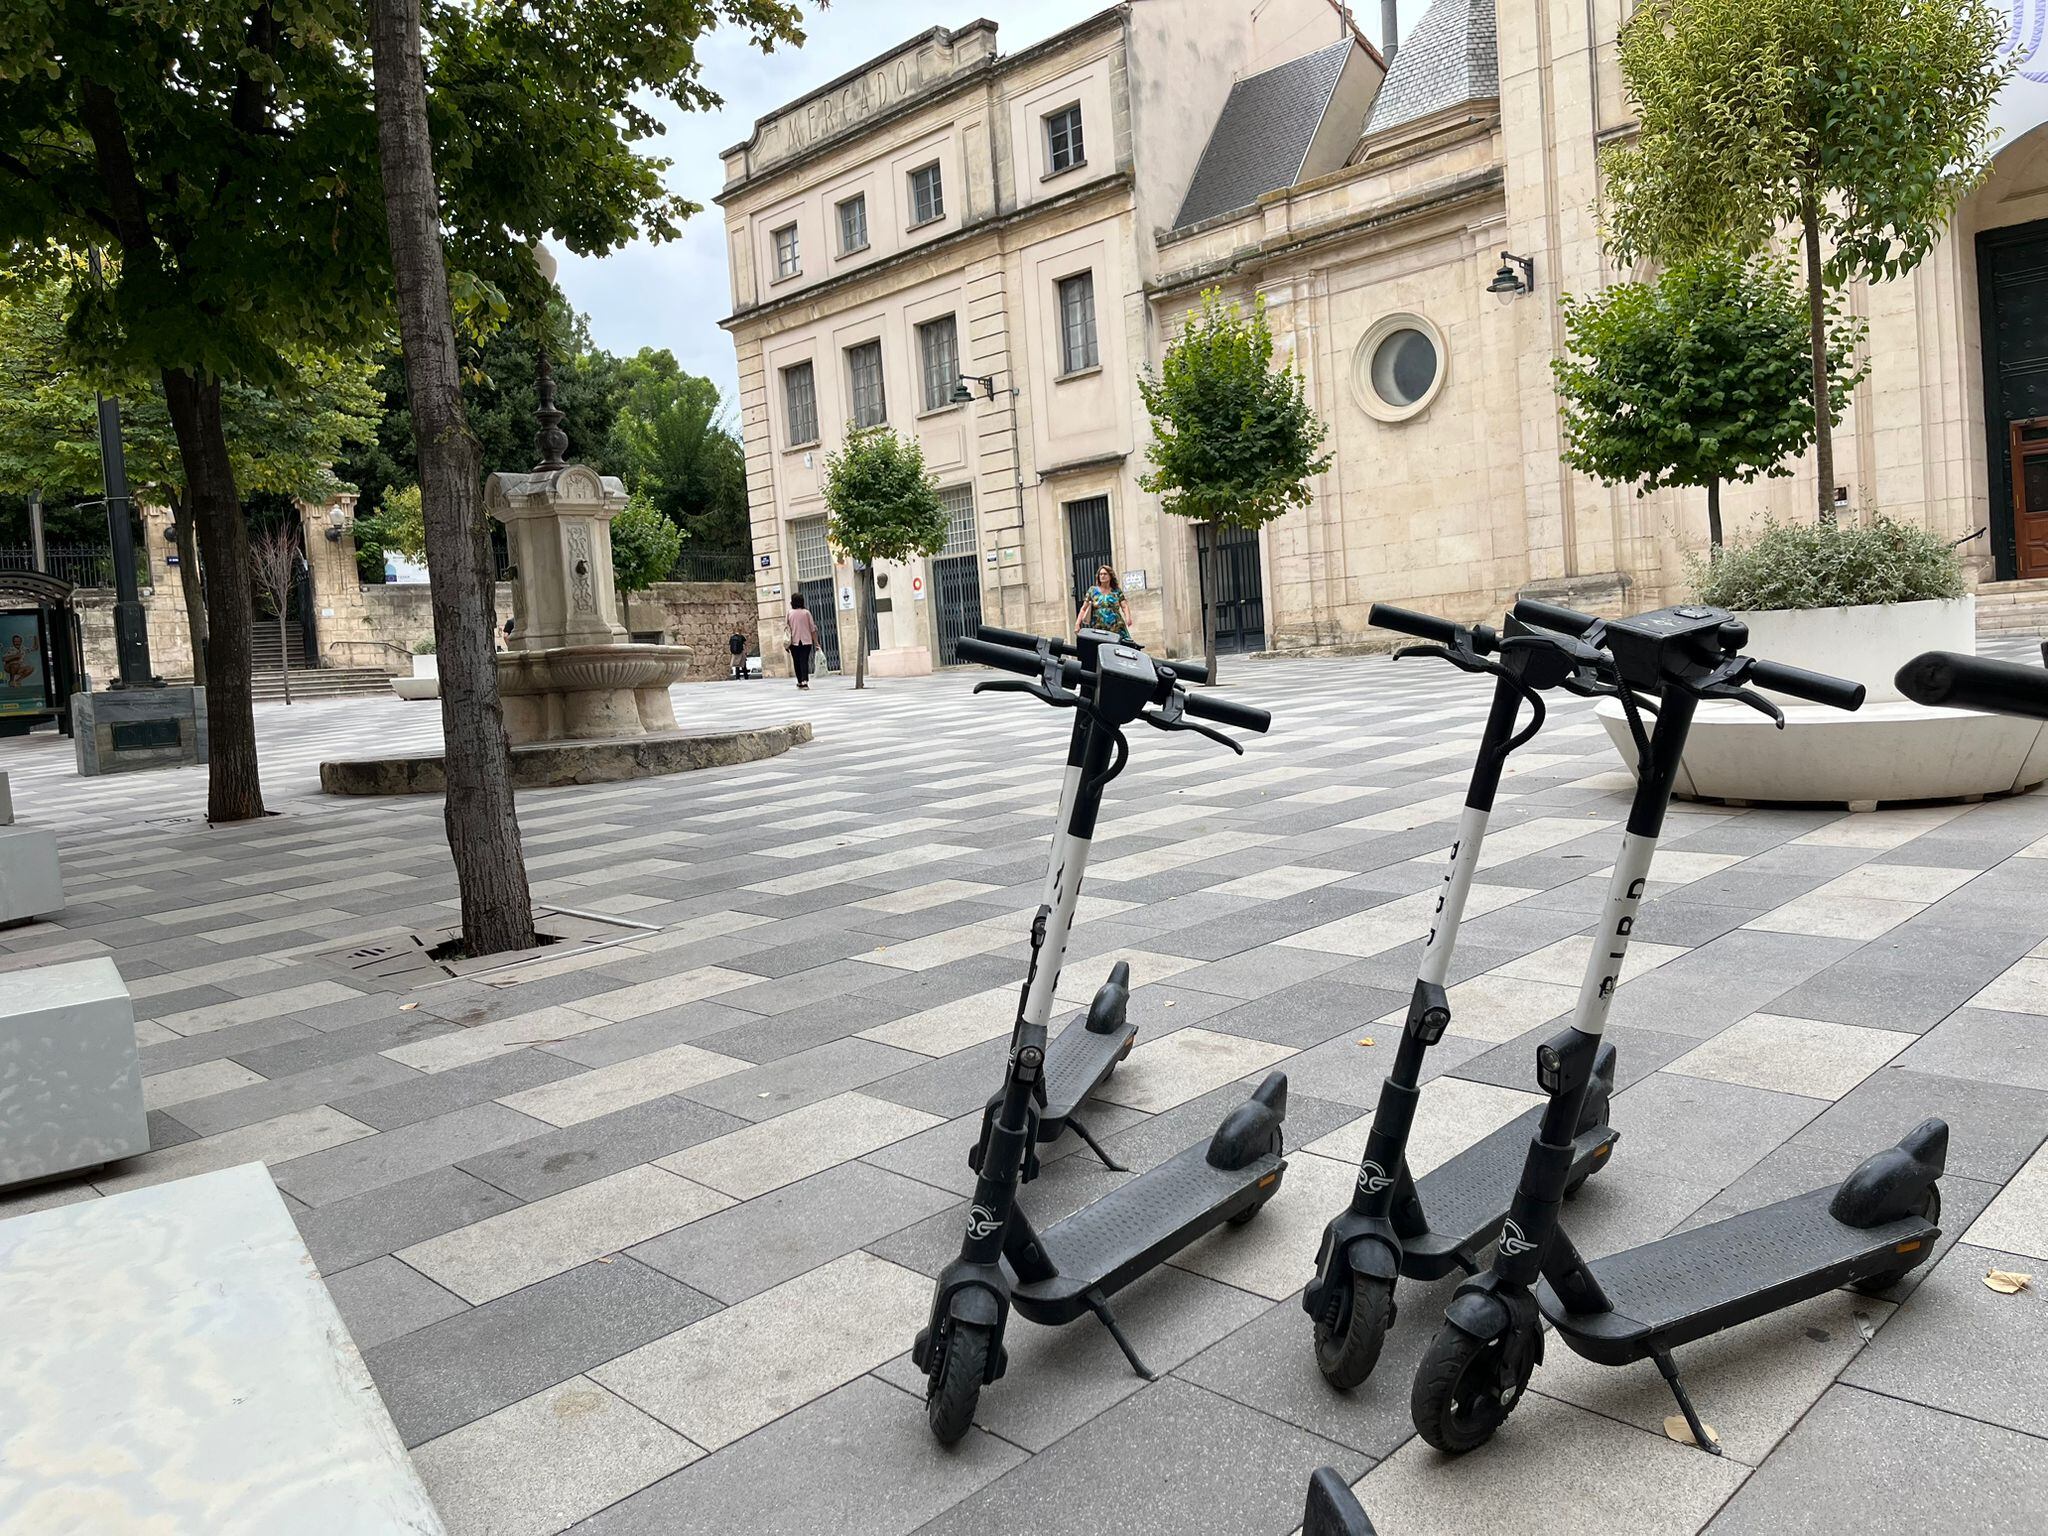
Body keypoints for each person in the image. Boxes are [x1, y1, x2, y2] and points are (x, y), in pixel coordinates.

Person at [1074, 563, 1134, 644]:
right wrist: (1077, 624)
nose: (1102, 576)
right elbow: (1083, 609)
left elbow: (1124, 606)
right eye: (1100, 574)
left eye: (1105, 574)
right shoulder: (1092, 590)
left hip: (1116, 627)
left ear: (1110, 576)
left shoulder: (1116, 591)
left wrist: (1128, 618)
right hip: (1098, 628)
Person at [787, 592, 820, 690]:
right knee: (804, 661)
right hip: (806, 641)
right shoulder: (806, 613)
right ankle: (805, 681)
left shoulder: (789, 613)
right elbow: (812, 629)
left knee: (796, 661)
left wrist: (786, 644)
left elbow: (787, 628)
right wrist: (816, 643)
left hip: (794, 641)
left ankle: (800, 681)